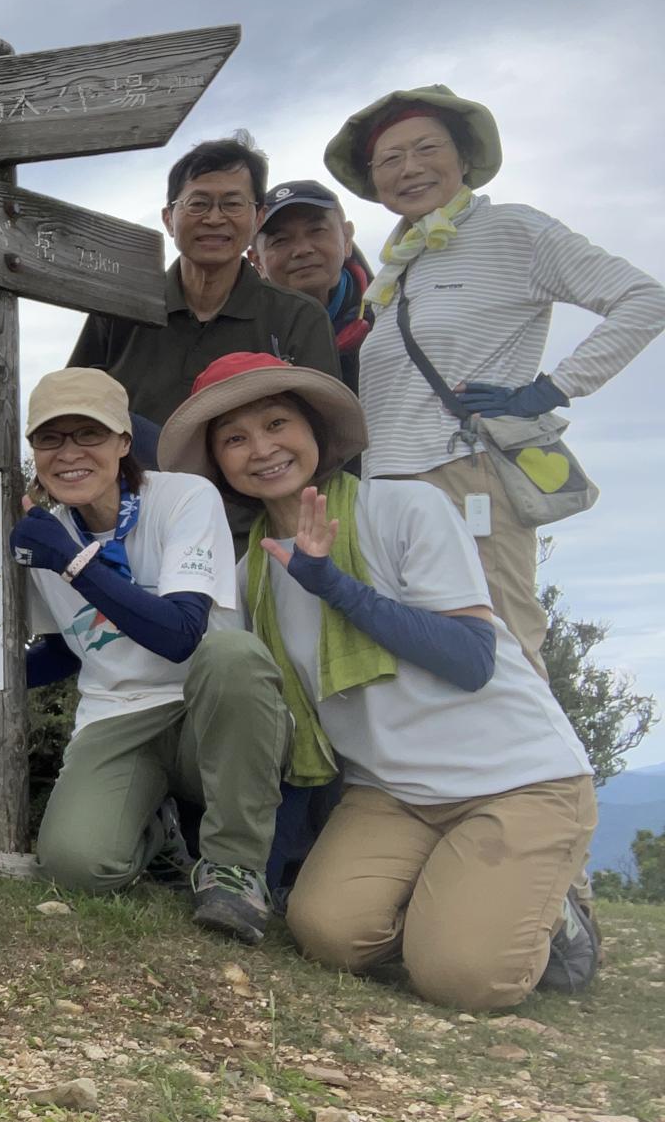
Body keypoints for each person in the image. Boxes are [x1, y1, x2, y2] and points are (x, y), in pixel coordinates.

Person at [159, 351, 601, 1007]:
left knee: (461, 977)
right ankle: (460, 897)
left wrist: (334, 585)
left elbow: (471, 657)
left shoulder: (404, 507)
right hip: (391, 793)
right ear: (218, 463)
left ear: (314, 430)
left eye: (277, 423)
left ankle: (553, 916)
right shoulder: (253, 571)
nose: (262, 449)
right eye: (234, 439)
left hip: (517, 779)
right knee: (328, 933)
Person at [324, 84, 665, 677]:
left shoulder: (512, 230)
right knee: (425, 663)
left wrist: (551, 389)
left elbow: (644, 299)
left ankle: (543, 746)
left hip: (467, 473)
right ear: (374, 180)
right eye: (390, 158)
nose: (409, 168)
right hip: (387, 487)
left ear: (463, 157)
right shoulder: (400, 264)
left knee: (504, 649)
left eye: (426, 148)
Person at [11, 368, 287, 944]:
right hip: (118, 716)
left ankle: (233, 869)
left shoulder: (184, 497)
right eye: (49, 438)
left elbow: (183, 632)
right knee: (75, 866)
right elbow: (68, 650)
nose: (69, 453)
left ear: (123, 442)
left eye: (89, 434)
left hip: (207, 710)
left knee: (234, 653)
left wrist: (73, 562)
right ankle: (155, 829)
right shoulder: (46, 535)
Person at [69, 135, 337, 427]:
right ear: (169, 219)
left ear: (258, 219)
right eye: (198, 204)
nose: (214, 218)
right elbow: (71, 411)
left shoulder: (300, 317)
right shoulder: (120, 307)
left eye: (232, 204)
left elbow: (322, 432)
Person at [252, 179, 373, 391]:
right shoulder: (243, 337)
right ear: (257, 262)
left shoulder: (393, 312)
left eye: (317, 230)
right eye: (280, 240)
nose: (302, 250)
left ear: (346, 239)